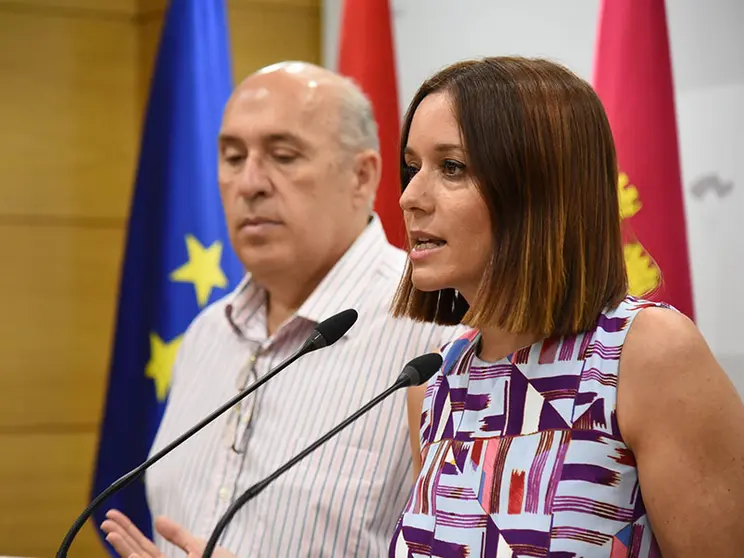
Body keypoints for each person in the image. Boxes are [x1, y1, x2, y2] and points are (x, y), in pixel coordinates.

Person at [100, 61, 465, 557]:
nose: (250, 183)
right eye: (232, 157)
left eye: (283, 155)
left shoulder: (437, 333)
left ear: (361, 176)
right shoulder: (206, 334)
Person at [387, 57, 744, 557]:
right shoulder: (433, 385)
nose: (409, 197)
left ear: (538, 189)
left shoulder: (645, 355)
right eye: (412, 167)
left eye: (451, 167)